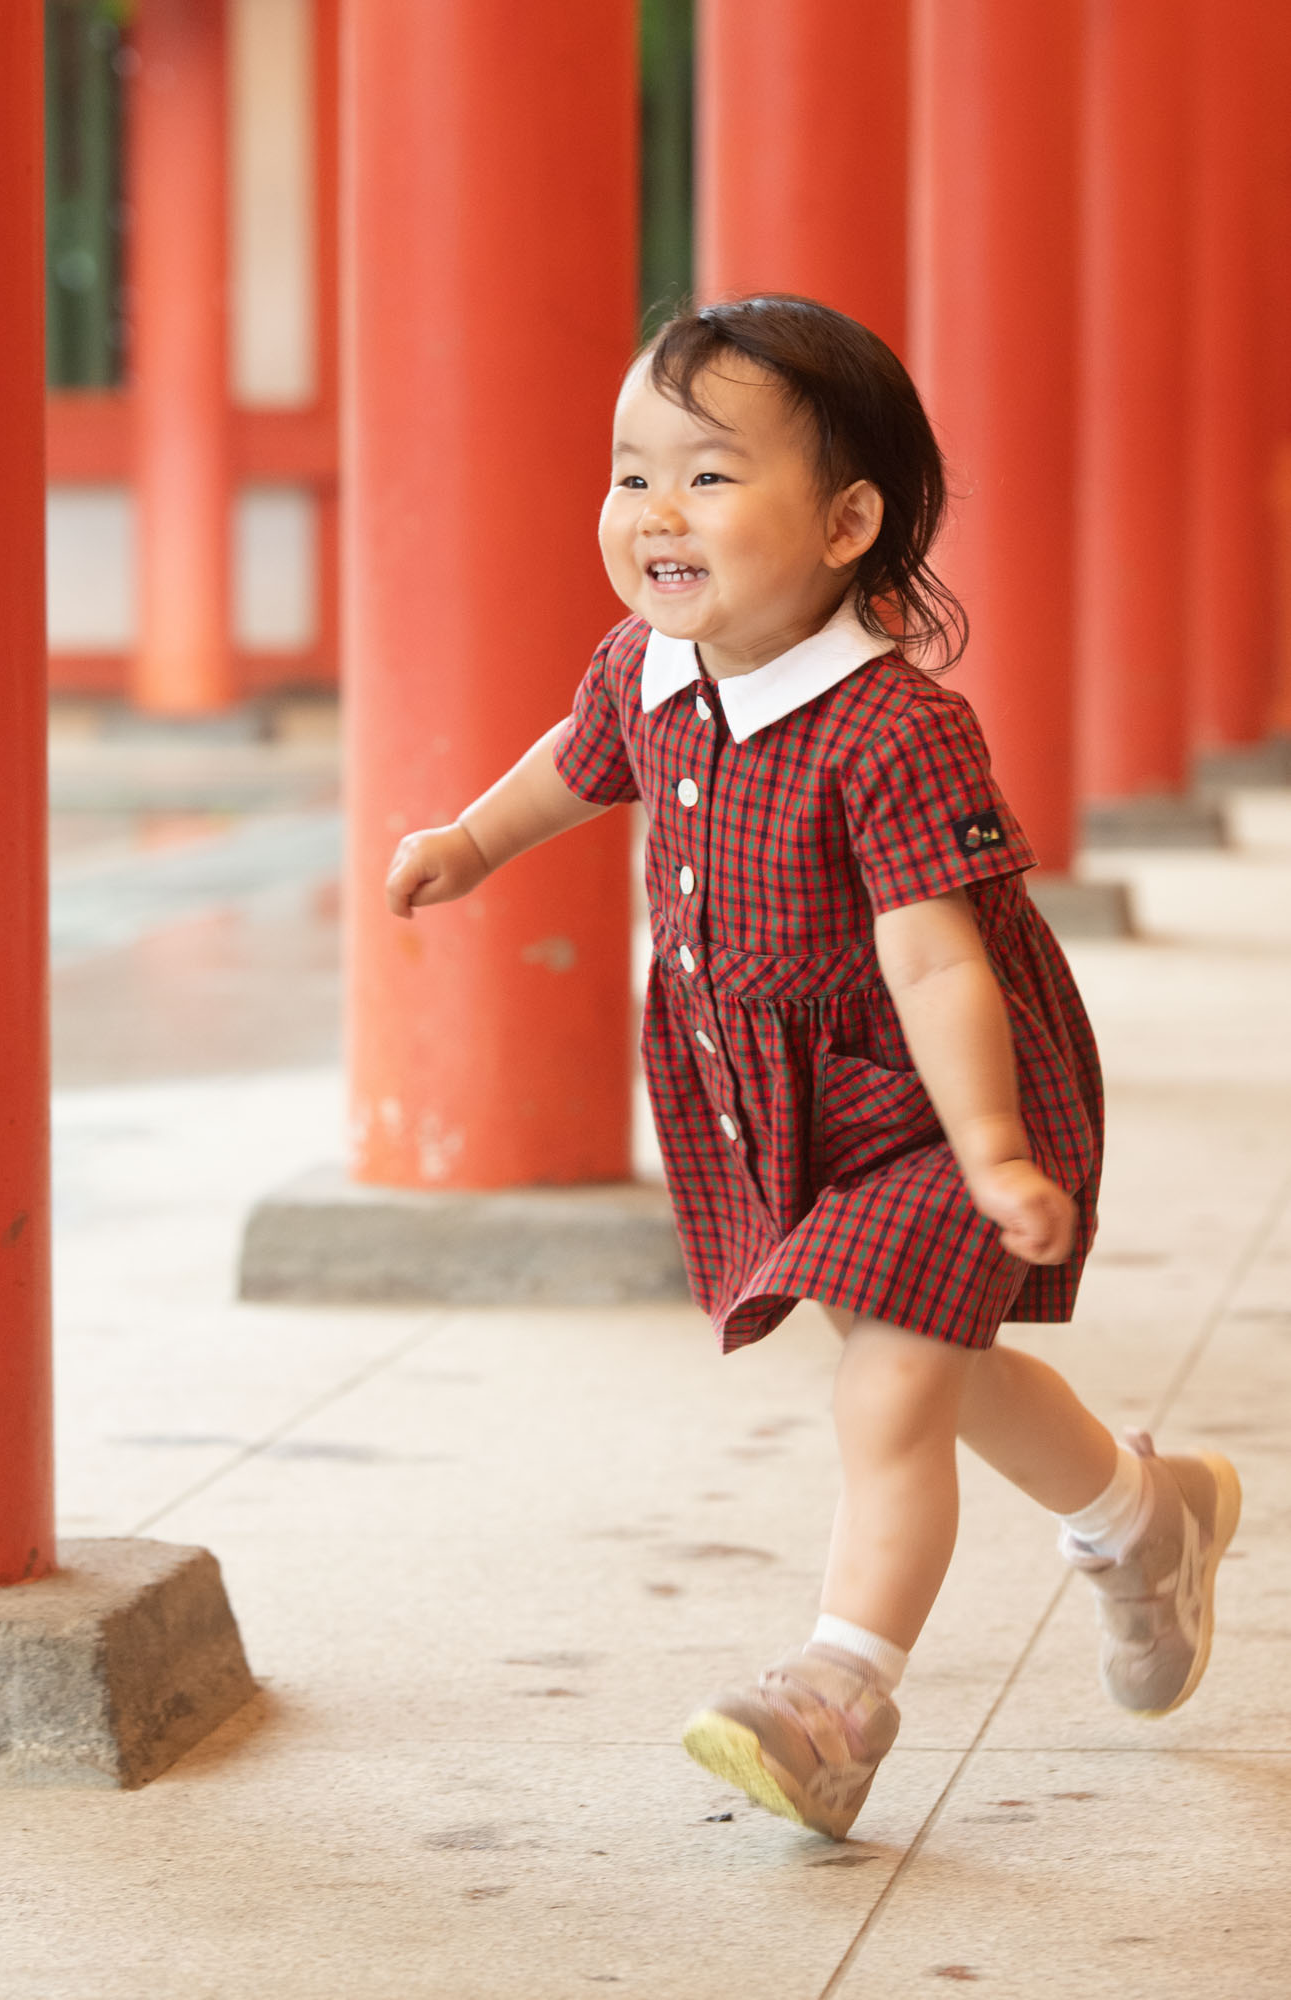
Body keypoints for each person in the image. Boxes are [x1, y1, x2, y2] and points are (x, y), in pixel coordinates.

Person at [384, 295, 1241, 1843]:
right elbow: (572, 766)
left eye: (709, 474)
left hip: (941, 1098)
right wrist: (467, 842)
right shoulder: (646, 663)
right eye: (630, 468)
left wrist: (987, 1148)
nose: (654, 509)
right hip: (790, 1102)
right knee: (940, 1370)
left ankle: (835, 1697)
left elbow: (934, 956)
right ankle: (1142, 1517)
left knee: (886, 1389)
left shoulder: (890, 727)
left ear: (847, 521)